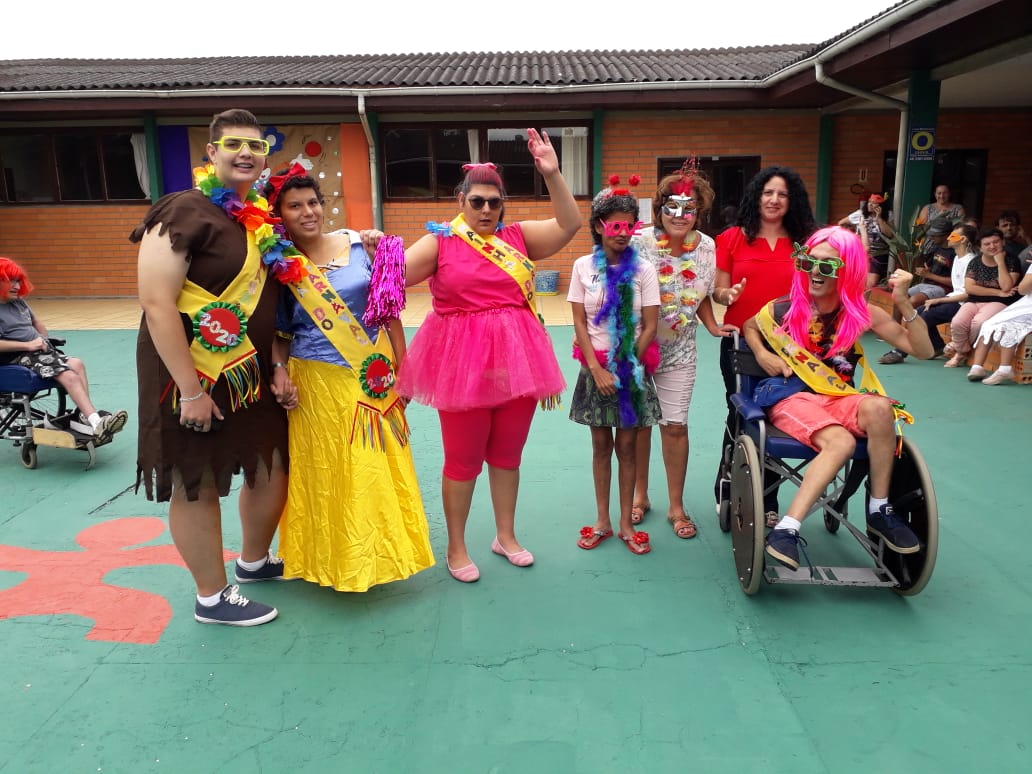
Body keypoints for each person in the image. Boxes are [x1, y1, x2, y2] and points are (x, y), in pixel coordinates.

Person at [132, 109, 294, 626]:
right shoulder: (183, 210)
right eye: (233, 144)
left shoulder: (258, 220)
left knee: (267, 462)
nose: (245, 153)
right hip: (191, 373)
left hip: (250, 369)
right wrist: (190, 390)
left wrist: (275, 365)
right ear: (211, 154)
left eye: (256, 145)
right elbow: (157, 302)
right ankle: (211, 595)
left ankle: (252, 562)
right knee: (195, 476)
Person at [398, 129, 580, 583]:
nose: (484, 210)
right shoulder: (440, 242)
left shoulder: (519, 237)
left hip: (518, 364)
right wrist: (360, 243)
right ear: (460, 200)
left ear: (503, 205)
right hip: (461, 368)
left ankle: (505, 536)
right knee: (462, 460)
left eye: (493, 202)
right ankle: (456, 548)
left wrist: (553, 174)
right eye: (476, 201)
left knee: (507, 456)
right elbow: (391, 276)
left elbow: (570, 225)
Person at [263, 166, 434, 591]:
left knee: (373, 467)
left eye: (313, 202)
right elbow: (281, 332)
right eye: (295, 205)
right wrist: (279, 371)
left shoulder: (361, 245)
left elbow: (388, 312)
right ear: (279, 214)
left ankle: (379, 554)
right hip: (315, 385)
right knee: (326, 473)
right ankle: (330, 560)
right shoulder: (280, 265)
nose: (308, 212)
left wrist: (404, 368)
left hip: (369, 376)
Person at [742, 226, 935, 571]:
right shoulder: (784, 309)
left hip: (837, 397)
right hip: (791, 397)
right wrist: (763, 354)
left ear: (848, 272)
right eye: (809, 262)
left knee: (879, 407)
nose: (816, 272)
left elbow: (922, 350)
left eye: (828, 266)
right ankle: (786, 530)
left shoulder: (861, 314)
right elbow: (750, 326)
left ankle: (878, 510)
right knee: (841, 441)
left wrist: (904, 303)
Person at [712, 166, 816, 527]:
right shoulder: (731, 238)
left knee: (779, 417)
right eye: (768, 193)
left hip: (794, 345)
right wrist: (728, 294)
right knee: (741, 413)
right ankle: (728, 487)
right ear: (756, 197)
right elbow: (719, 289)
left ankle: (768, 500)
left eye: (782, 194)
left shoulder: (807, 242)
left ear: (792, 201)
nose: (774, 200)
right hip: (741, 340)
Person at [630, 164, 730, 540]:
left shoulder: (706, 247)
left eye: (688, 209)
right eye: (672, 207)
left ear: (698, 211)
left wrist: (712, 325)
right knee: (639, 424)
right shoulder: (639, 243)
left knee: (675, 426)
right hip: (639, 346)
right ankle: (640, 496)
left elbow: (701, 293)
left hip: (680, 348)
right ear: (658, 209)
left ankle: (676, 505)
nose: (679, 216)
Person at [569, 179, 660, 555]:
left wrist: (624, 368)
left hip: (631, 370)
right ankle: (603, 521)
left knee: (627, 445)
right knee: (600, 444)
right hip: (595, 369)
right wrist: (596, 368)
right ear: (599, 227)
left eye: (629, 226)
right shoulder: (582, 266)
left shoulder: (644, 271)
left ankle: (625, 523)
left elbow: (651, 325)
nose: (623, 234)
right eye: (615, 226)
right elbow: (578, 323)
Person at [0, 256, 128, 439]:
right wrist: (28, 345)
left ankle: (84, 416)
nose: (16, 286)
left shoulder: (19, 302)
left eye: (18, 281)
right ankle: (96, 422)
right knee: (68, 376)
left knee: (77, 364)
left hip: (39, 352)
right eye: (10, 280)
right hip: (16, 358)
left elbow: (36, 322)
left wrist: (44, 340)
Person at [878, 223, 976, 364]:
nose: (949, 237)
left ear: (963, 239)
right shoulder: (957, 258)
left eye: (953, 235)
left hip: (964, 304)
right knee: (917, 313)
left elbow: (968, 293)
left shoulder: (971, 261)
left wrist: (938, 300)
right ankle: (937, 346)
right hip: (953, 298)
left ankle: (900, 352)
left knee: (922, 317)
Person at [943, 227, 1023, 372]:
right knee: (957, 322)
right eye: (987, 244)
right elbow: (970, 288)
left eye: (996, 242)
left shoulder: (1012, 260)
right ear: (980, 247)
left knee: (979, 322)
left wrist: (1000, 263)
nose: (992, 246)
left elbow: (1006, 286)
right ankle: (963, 348)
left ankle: (960, 352)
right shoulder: (975, 261)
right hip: (975, 300)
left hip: (1000, 303)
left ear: (1002, 242)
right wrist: (997, 292)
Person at [968, 262, 1032, 385]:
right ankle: (977, 367)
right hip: (1026, 304)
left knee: (1011, 326)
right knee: (989, 323)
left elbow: (1023, 288)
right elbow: (1024, 289)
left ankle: (1004, 369)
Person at [838, 193, 894, 289]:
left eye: (874, 203)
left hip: (879, 253)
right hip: (861, 250)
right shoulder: (860, 214)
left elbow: (889, 235)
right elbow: (841, 223)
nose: (870, 205)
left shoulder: (888, 215)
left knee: (870, 283)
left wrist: (879, 218)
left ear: (880, 206)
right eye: (869, 202)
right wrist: (852, 237)